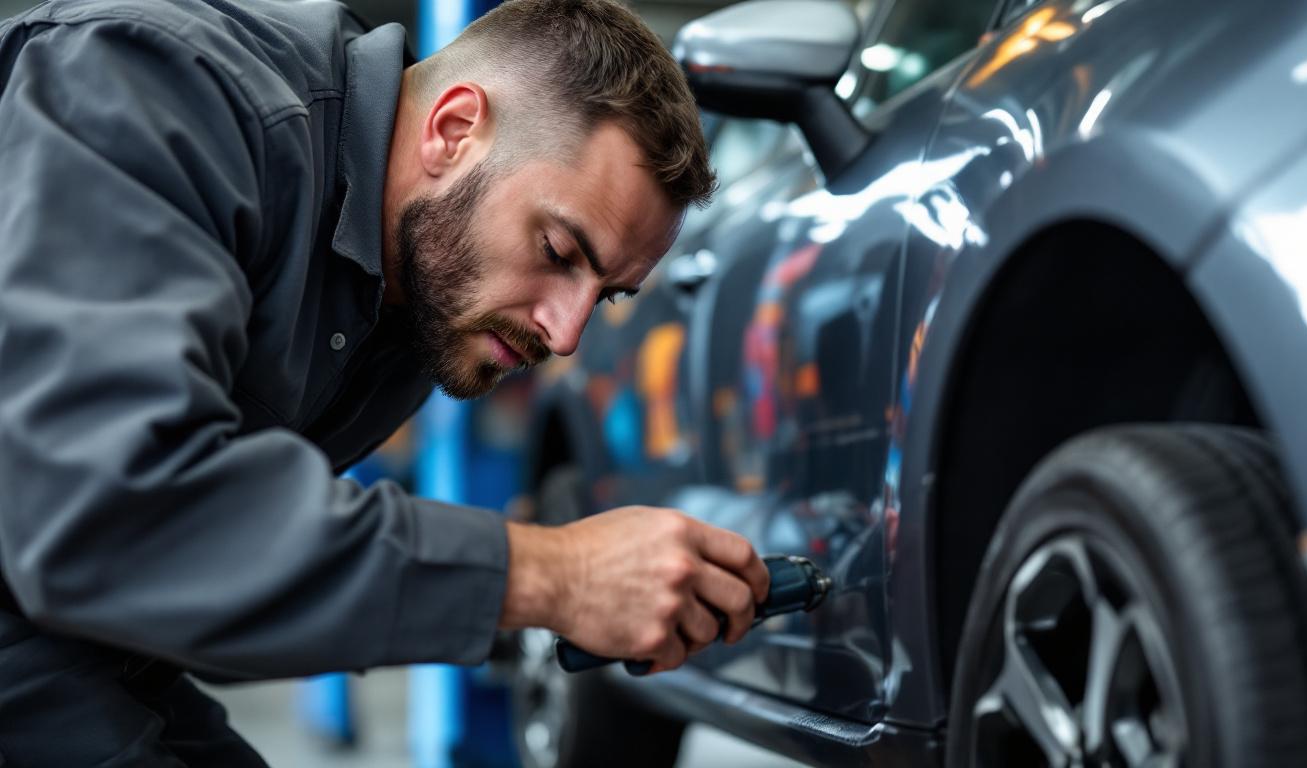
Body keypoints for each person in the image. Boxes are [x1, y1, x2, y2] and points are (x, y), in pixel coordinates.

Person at [0, 0, 771, 763]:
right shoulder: (157, 86)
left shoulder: (419, 295)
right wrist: (554, 575)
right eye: (559, 250)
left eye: (603, 294)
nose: (565, 333)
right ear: (454, 129)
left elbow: (200, 602)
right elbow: (104, 515)